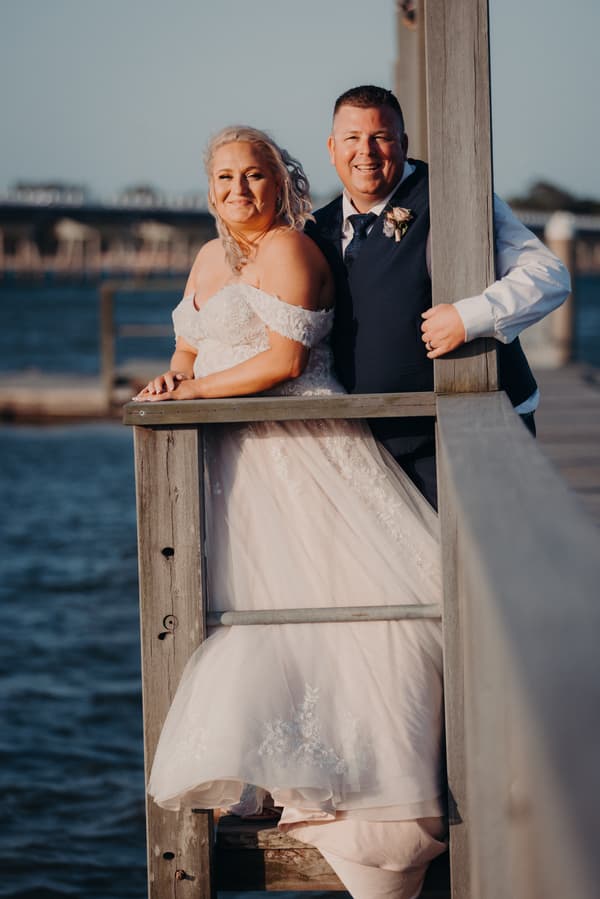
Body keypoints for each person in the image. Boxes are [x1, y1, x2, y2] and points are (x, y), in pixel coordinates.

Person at [135, 125, 447, 899]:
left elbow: (283, 362)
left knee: (334, 599)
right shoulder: (209, 260)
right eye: (225, 178)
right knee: (256, 605)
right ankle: (274, 768)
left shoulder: (289, 250)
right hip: (237, 462)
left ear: (282, 181)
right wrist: (170, 384)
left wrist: (195, 397)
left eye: (254, 175)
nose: (239, 190)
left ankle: (347, 782)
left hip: (303, 448)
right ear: (208, 190)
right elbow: (187, 351)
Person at [307, 85, 571, 509]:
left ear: (403, 143)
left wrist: (470, 318)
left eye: (380, 137)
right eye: (352, 138)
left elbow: (548, 275)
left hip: (467, 431)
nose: (366, 152)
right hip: (368, 446)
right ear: (332, 147)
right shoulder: (315, 228)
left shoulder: (454, 198)